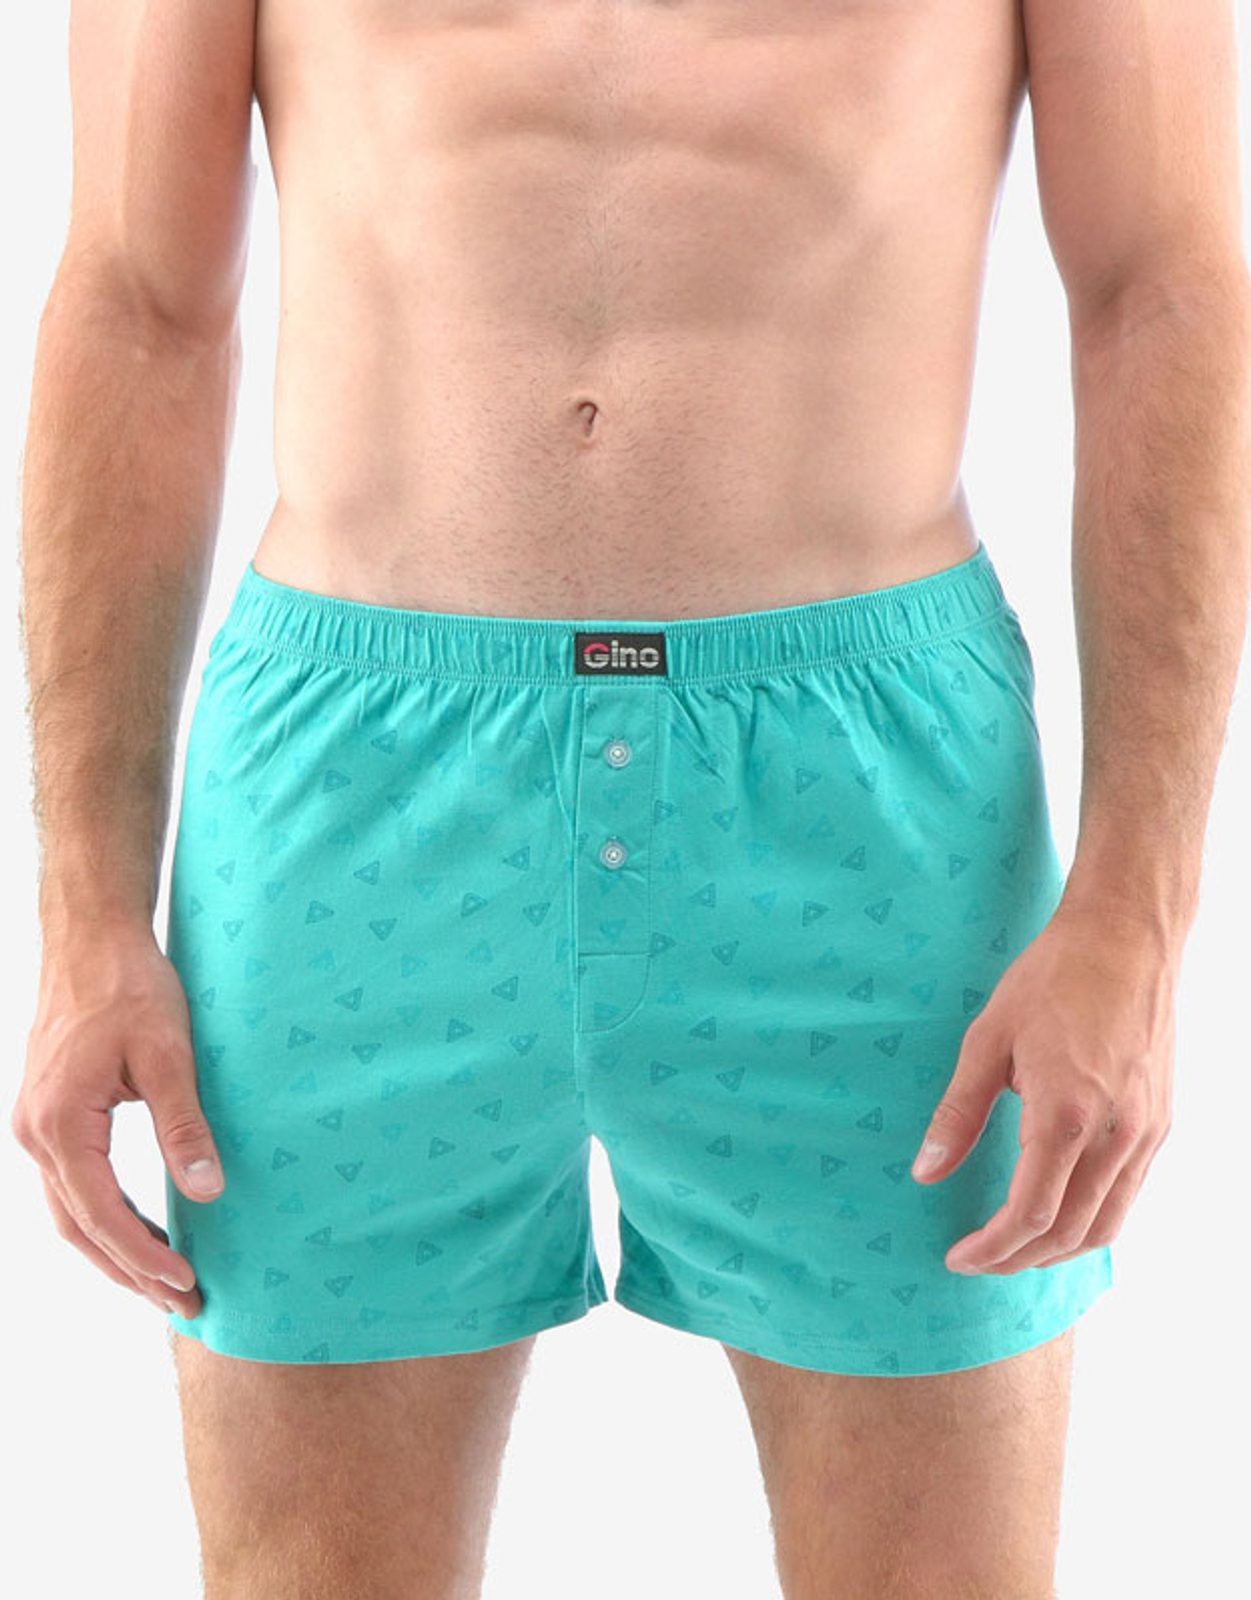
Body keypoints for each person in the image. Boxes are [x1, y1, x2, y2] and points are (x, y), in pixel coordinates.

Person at [11, 2, 1250, 1597]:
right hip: (352, 794)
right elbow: (137, 304)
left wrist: (1139, 912)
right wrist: (85, 914)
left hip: (868, 801)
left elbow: (1162, 293)